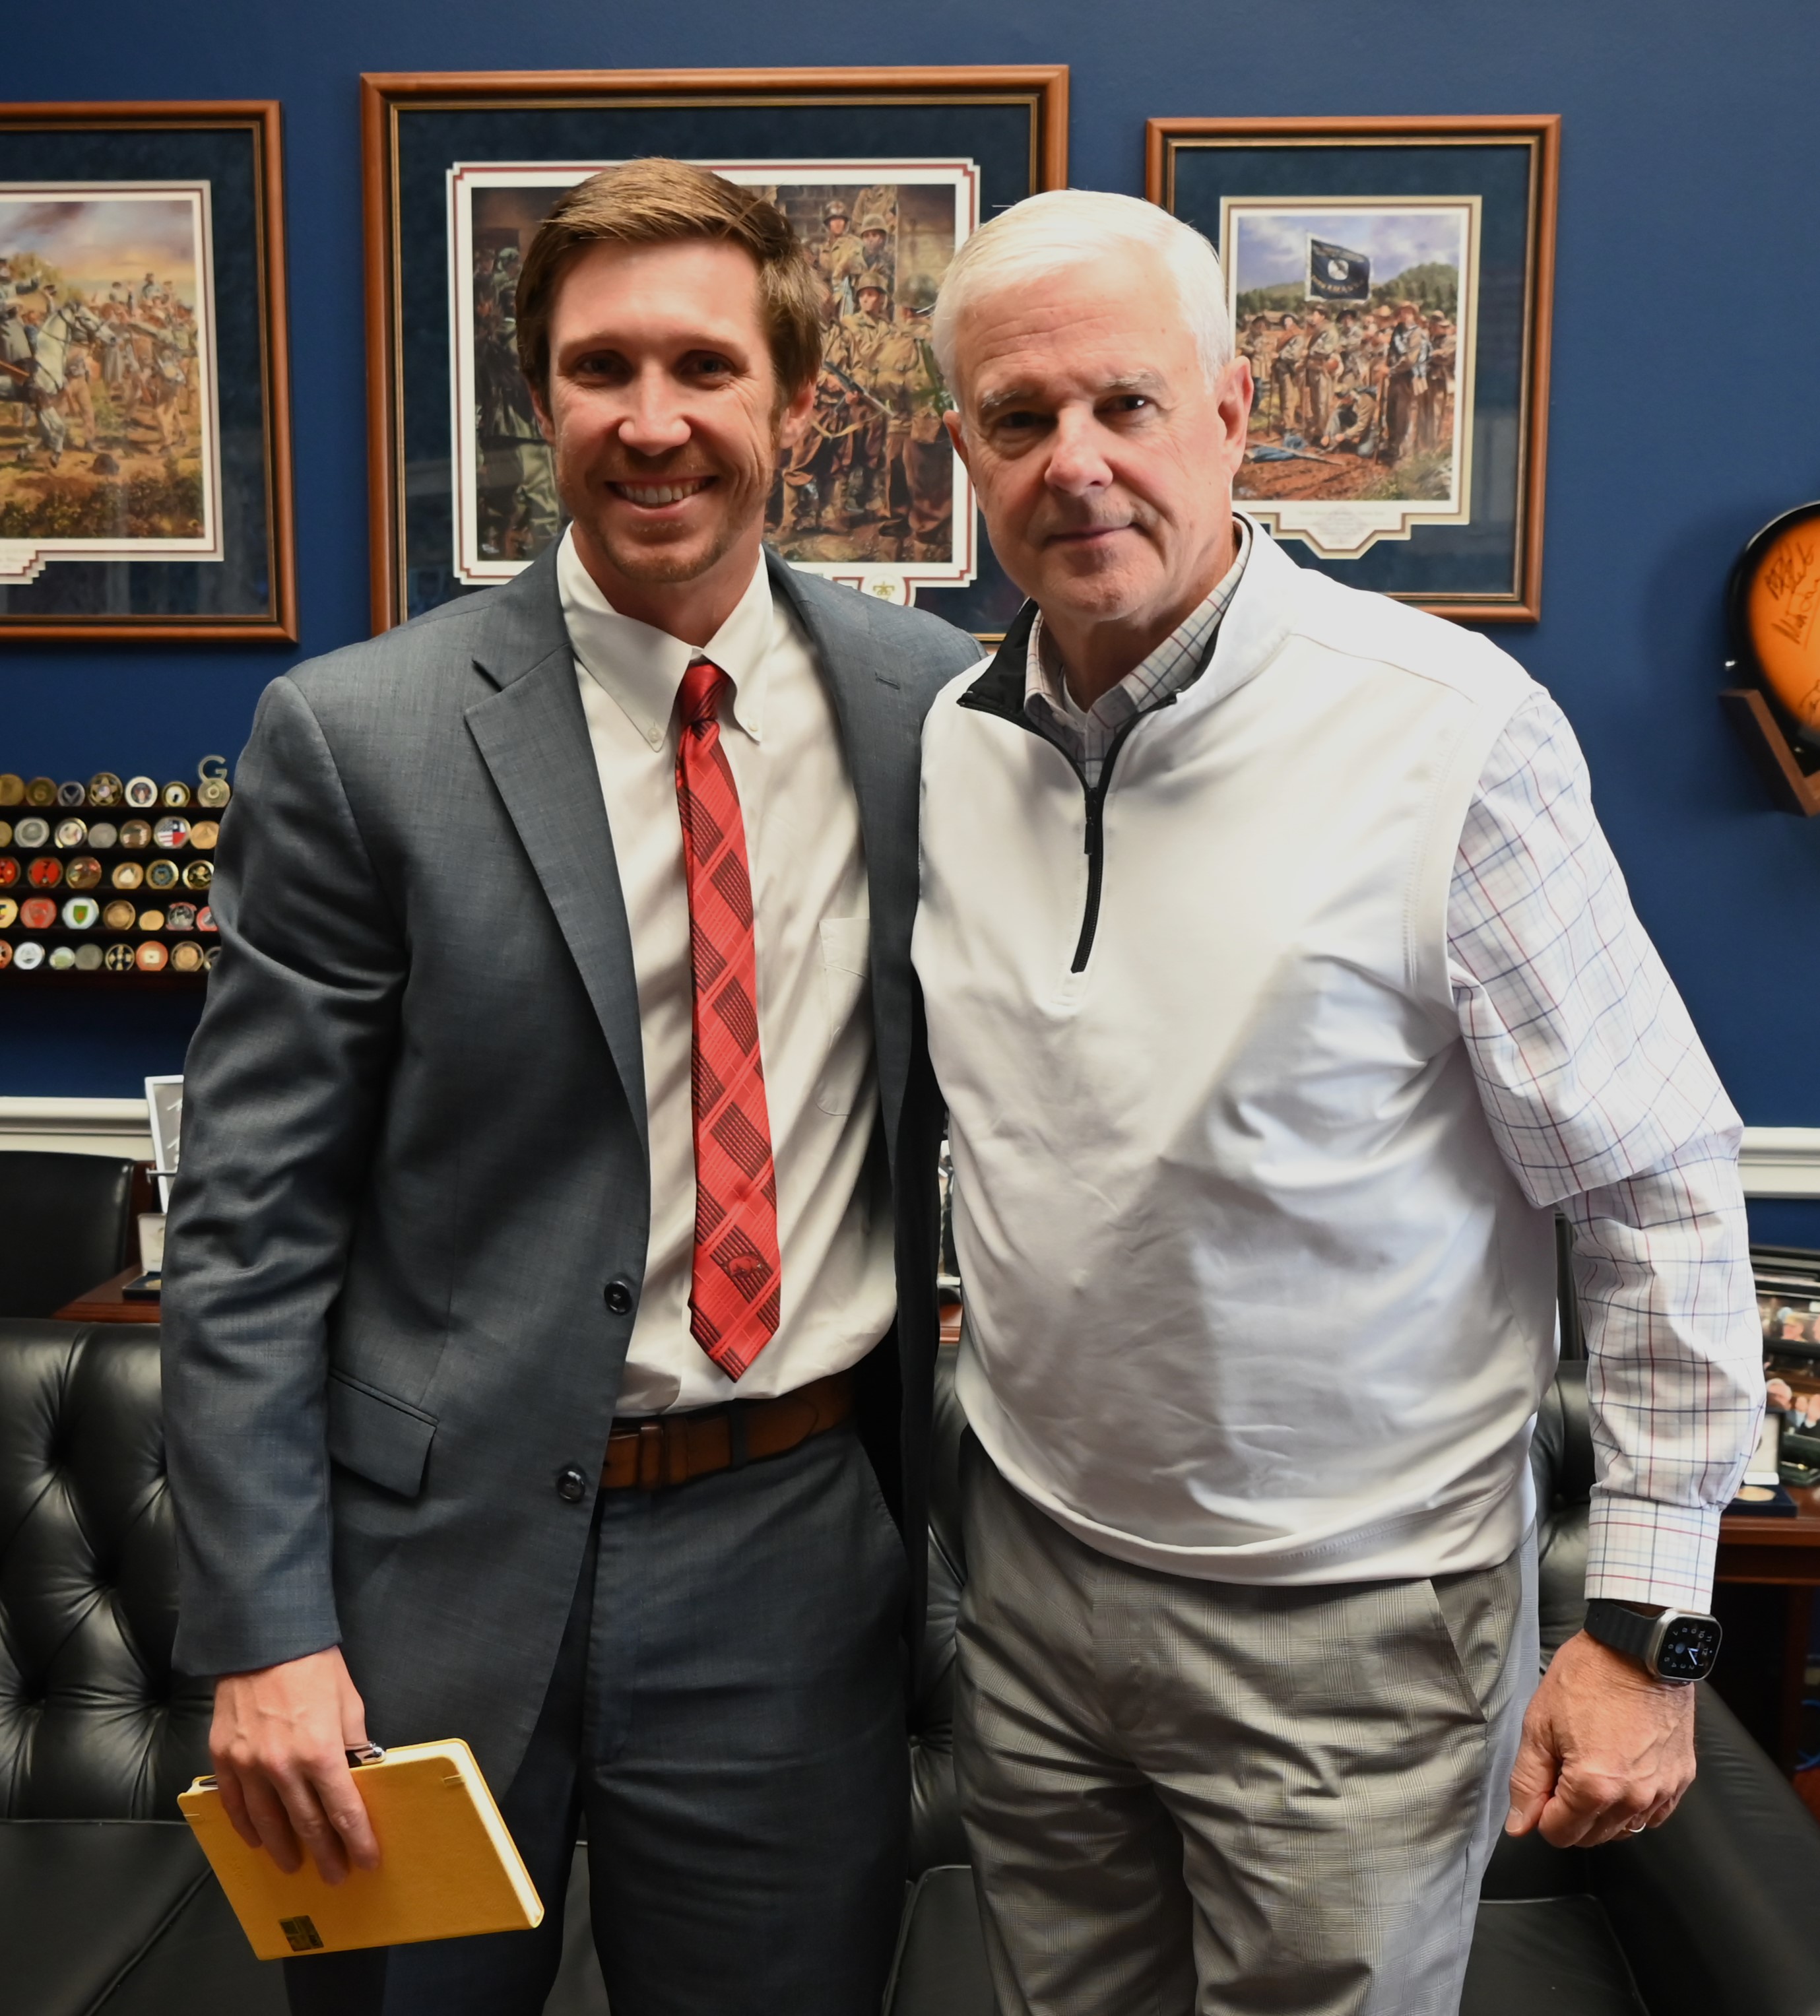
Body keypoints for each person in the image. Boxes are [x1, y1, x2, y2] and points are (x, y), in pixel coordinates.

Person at [913, 187, 1763, 2016]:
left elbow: (1656, 1186)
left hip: (1354, 1628)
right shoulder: (952, 743)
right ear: (964, 450)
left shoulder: (1447, 731)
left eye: (1126, 403)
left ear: (1232, 412)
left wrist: (1645, 1626)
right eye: (1019, 417)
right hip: (1034, 1584)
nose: (1076, 463)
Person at [162, 156, 979, 2016]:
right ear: (540, 403)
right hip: (421, 1571)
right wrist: (266, 1629)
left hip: (790, 1550)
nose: (652, 419)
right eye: (601, 368)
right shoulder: (358, 738)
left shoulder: (937, 712)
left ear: (799, 404)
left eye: (706, 366)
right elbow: (249, 1229)